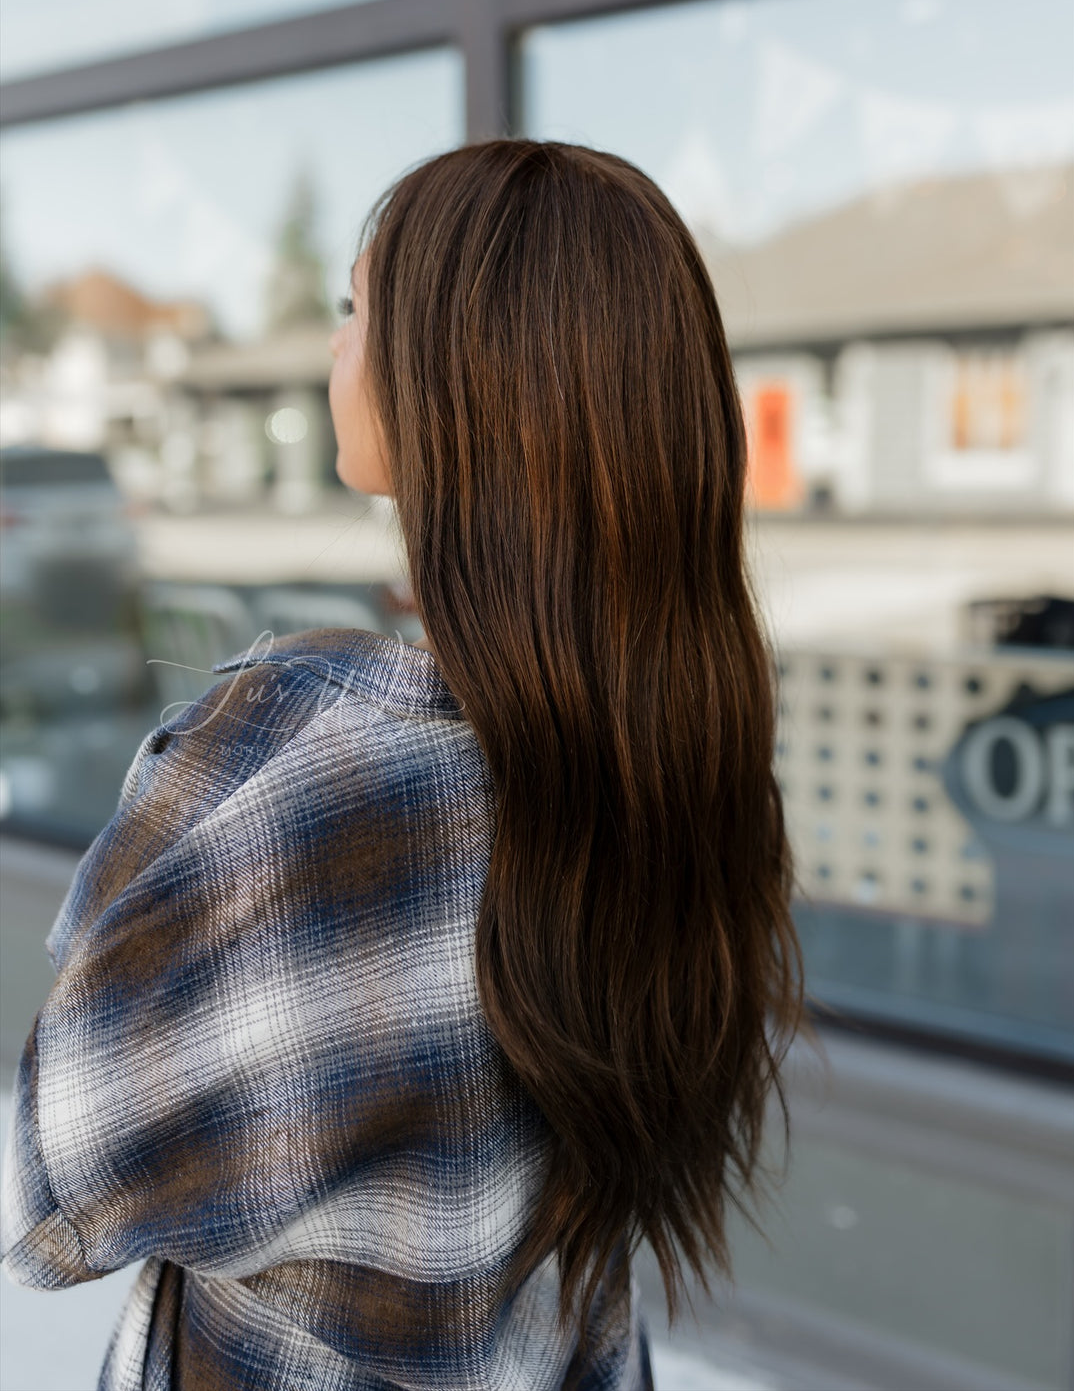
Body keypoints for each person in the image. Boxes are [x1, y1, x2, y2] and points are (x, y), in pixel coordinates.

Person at [0, 138, 812, 1389]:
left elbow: (58, 1180)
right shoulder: (687, 751)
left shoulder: (318, 751)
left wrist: (202, 769)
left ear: (449, 376)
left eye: (354, 309)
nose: (336, 347)